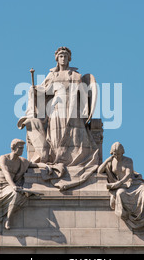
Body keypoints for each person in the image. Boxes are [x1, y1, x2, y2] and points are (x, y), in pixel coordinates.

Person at [17, 47, 99, 190]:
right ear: (57, 59)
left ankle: (76, 157)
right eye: (60, 56)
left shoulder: (76, 75)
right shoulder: (52, 76)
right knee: (56, 134)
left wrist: (86, 107)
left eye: (65, 56)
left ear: (69, 58)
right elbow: (46, 90)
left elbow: (84, 92)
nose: (63, 58)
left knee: (75, 132)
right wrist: (36, 90)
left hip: (73, 108)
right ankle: (56, 158)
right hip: (57, 107)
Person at [0, 139, 56, 230]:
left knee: (16, 195)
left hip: (7, 186)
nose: (22, 150)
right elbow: (6, 173)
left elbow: (34, 165)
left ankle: (8, 219)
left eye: (22, 148)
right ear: (13, 148)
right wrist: (13, 186)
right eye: (20, 148)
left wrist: (46, 166)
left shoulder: (22, 161)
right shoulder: (4, 158)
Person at [98, 142, 144, 230]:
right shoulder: (111, 161)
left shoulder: (128, 160)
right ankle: (128, 217)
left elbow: (128, 174)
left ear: (122, 152)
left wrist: (119, 183)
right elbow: (99, 171)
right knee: (120, 194)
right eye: (115, 154)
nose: (117, 156)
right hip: (122, 187)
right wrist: (108, 160)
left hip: (133, 184)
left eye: (118, 154)